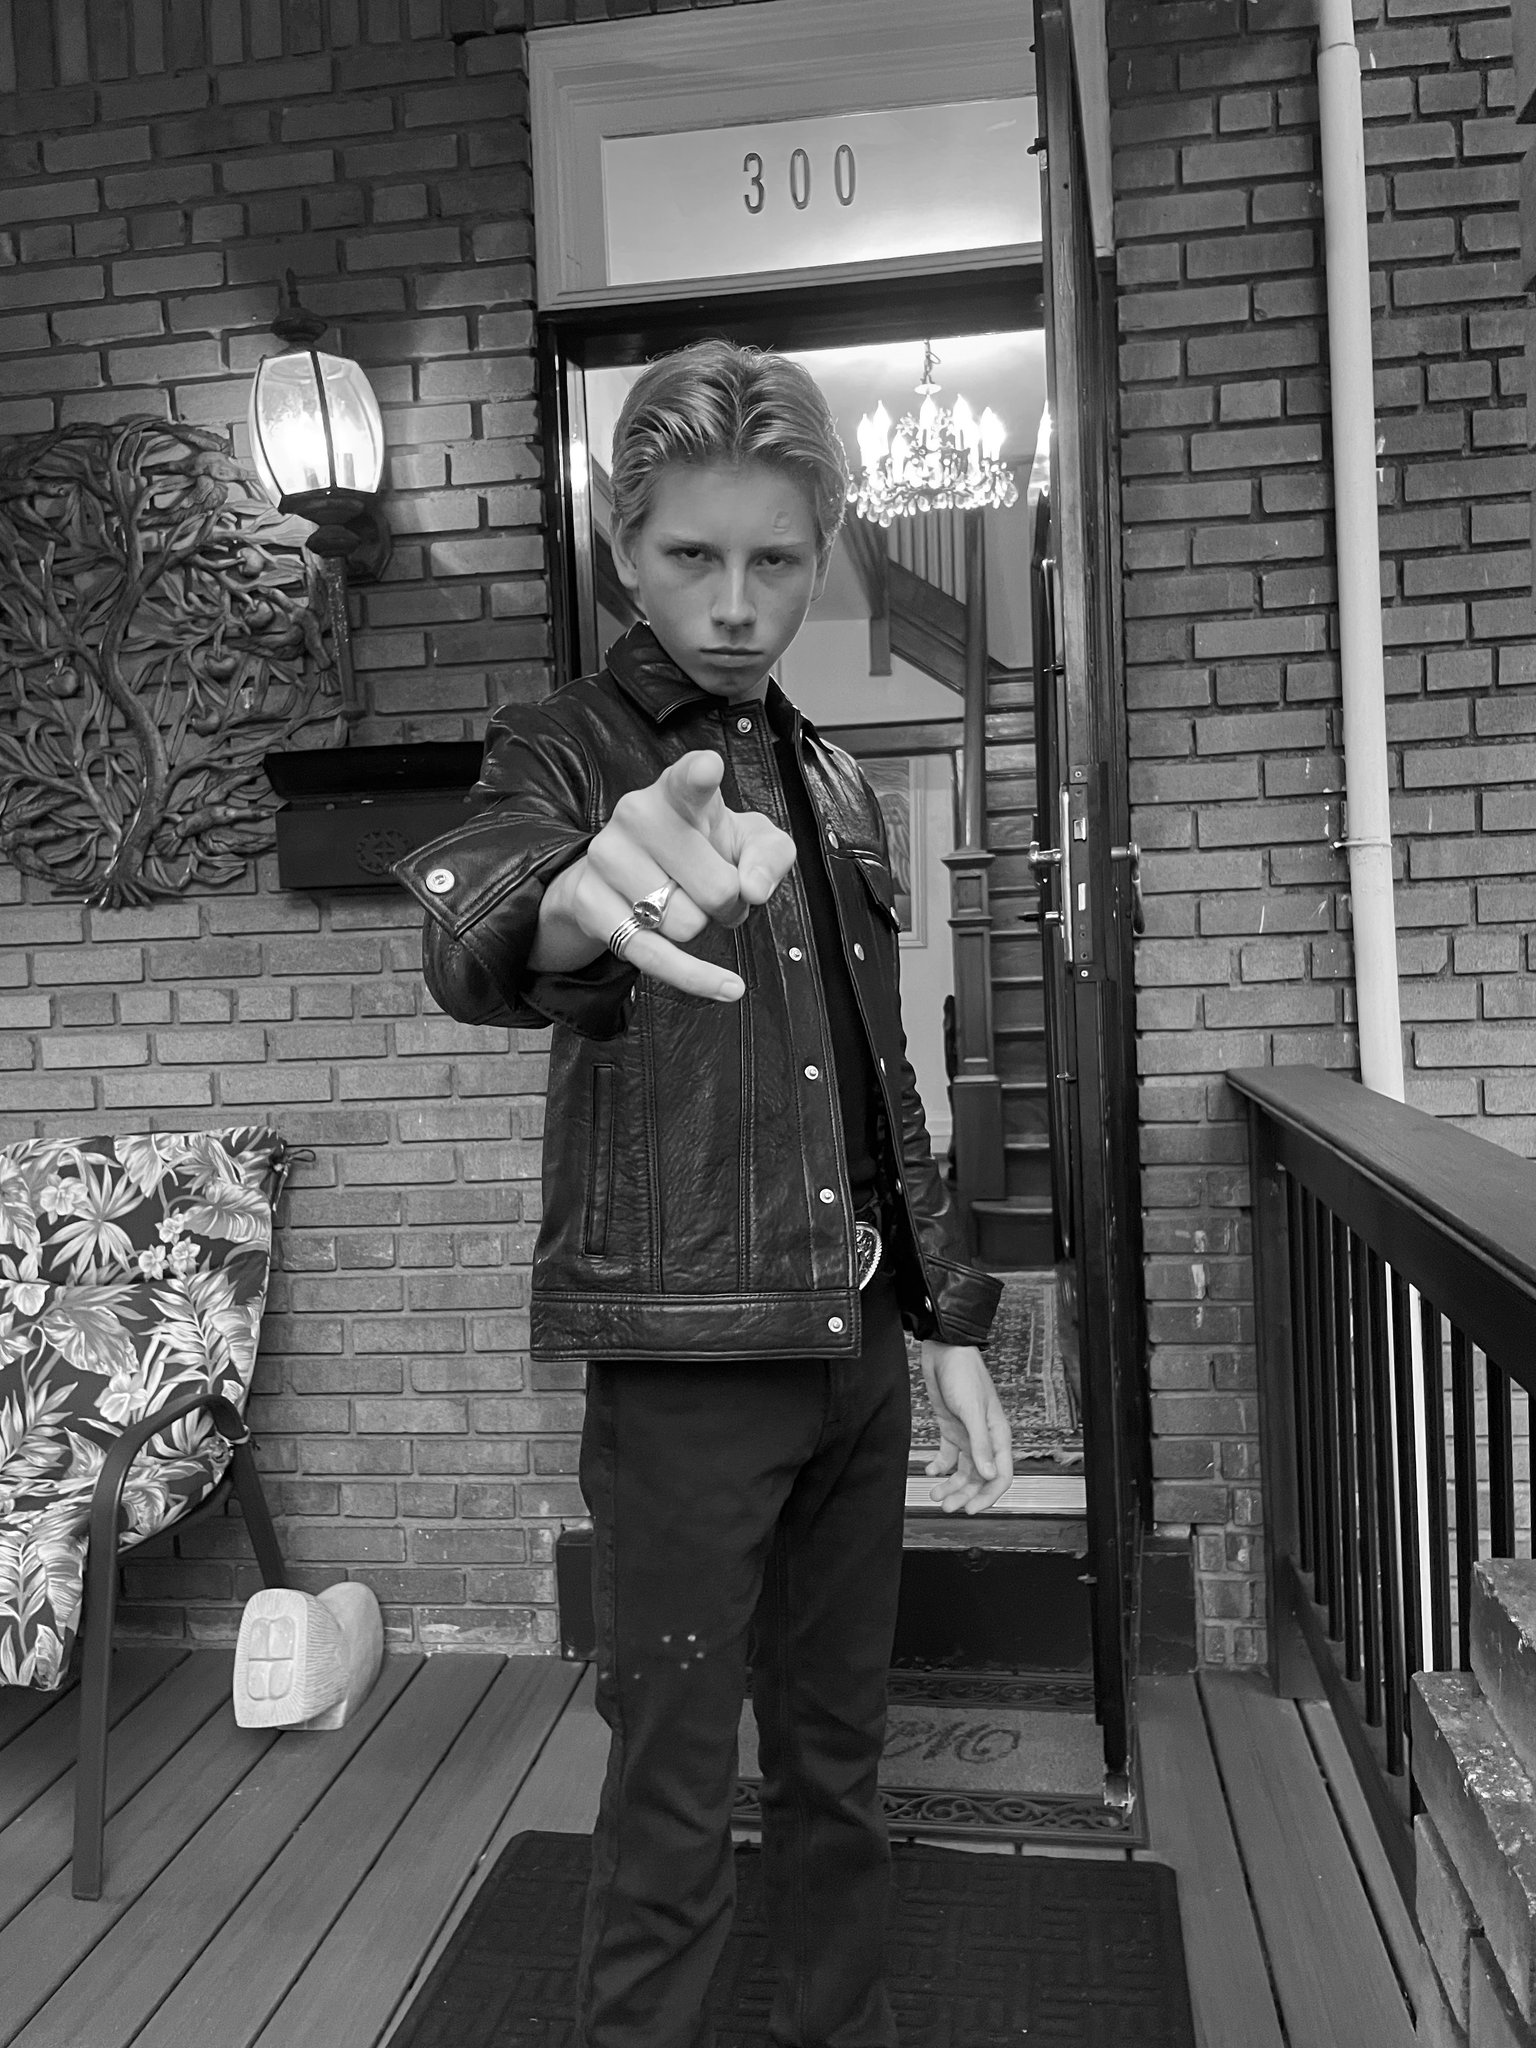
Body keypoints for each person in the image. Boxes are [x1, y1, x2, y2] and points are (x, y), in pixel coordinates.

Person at [396, 340, 1012, 2048]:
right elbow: (487, 920)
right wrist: (573, 903)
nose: (735, 603)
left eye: (775, 560)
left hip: (857, 1350)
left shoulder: (836, 778)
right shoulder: (560, 747)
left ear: (824, 555)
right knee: (670, 1793)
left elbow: (885, 1076)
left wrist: (946, 1321)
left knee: (842, 1763)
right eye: (691, 556)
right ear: (623, 546)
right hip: (684, 1369)